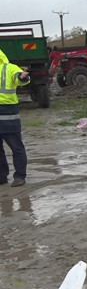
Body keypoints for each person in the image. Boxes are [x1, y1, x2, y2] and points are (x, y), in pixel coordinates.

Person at [0, 49, 31, 187]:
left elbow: (19, 77)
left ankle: (20, 176)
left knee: (16, 146)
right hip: (7, 113)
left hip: (8, 113)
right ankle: (1, 176)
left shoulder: (9, 67)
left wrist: (23, 77)